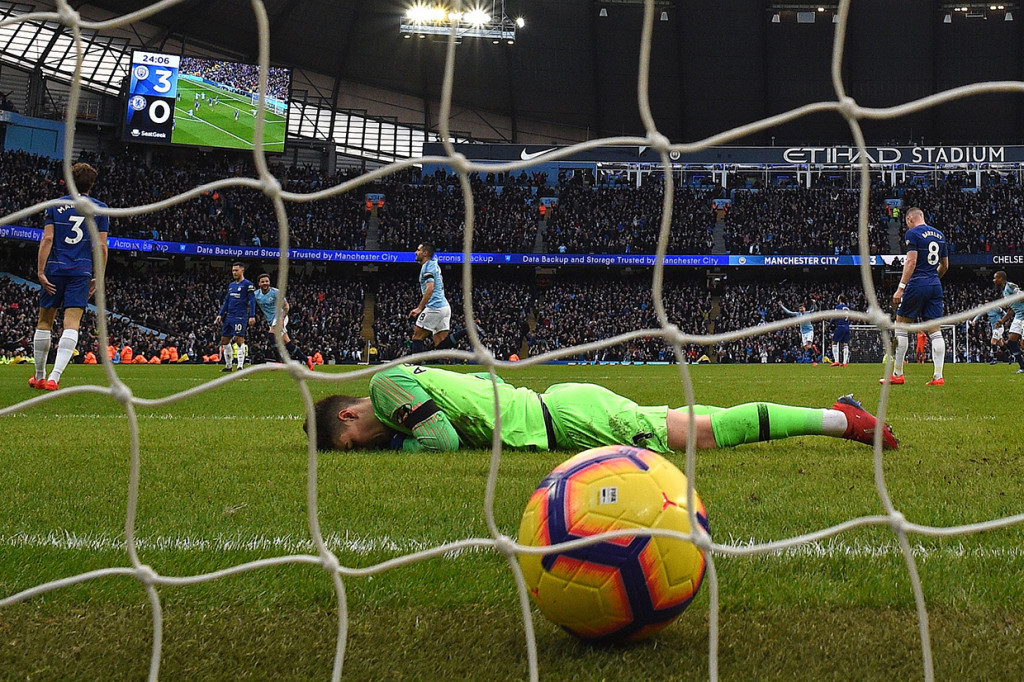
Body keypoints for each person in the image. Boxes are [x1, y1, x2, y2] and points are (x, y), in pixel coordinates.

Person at [306, 364, 898, 453]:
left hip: (565, 419)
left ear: (349, 416)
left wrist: (401, 444)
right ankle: (837, 412)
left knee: (703, 434)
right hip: (562, 412)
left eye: (354, 445)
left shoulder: (385, 387)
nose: (368, 447)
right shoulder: (394, 384)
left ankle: (842, 420)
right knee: (697, 422)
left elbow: (443, 442)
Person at [29, 162, 109, 391]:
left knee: (45, 321)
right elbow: (101, 246)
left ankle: (39, 376)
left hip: (55, 270)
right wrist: (99, 276)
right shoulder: (99, 209)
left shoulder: (55, 206)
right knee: (71, 324)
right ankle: (54, 377)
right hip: (81, 272)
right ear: (92, 184)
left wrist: (41, 271)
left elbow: (47, 239)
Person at [885, 207, 948, 386]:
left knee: (901, 326)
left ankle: (897, 374)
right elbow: (945, 265)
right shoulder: (939, 235)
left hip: (917, 282)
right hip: (935, 284)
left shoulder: (913, 233)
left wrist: (901, 288)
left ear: (910, 220)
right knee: (935, 330)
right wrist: (933, 278)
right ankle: (938, 376)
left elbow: (911, 261)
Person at [254, 273, 314, 370]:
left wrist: (281, 319)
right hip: (271, 320)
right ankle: (307, 360)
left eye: (267, 281)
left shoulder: (275, 292)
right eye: (263, 281)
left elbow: (286, 306)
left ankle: (278, 360)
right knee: (288, 343)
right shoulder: (256, 294)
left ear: (269, 282)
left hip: (281, 316)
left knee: (271, 335)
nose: (265, 283)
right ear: (259, 284)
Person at [409, 242, 454, 355]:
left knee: (417, 336)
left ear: (425, 253)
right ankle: (466, 331)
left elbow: (430, 289)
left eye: (418, 250)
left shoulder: (428, 266)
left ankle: (416, 368)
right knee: (439, 344)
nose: (416, 252)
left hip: (435, 306)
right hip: (444, 307)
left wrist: (419, 308)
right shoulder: (433, 264)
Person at [214, 261, 255, 372]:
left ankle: (240, 366)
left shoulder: (248, 284)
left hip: (240, 316)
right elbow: (227, 301)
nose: (234, 272)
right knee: (224, 340)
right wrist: (220, 314)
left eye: (236, 270)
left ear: (242, 270)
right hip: (229, 317)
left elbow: (252, 300)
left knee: (238, 339)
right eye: (233, 270)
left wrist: (252, 315)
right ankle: (228, 366)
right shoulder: (231, 285)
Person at [993, 270, 1024, 374]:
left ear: (1001, 279)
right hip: (1018, 316)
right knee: (1011, 341)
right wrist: (1002, 321)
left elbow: (1021, 295)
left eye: (995, 278)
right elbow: (1011, 310)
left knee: (1023, 344)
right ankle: (1022, 367)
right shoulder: (1004, 291)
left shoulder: (1010, 286)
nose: (994, 280)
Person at [780, 301, 819, 365]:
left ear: (805, 308)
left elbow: (815, 309)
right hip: (803, 332)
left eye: (802, 308)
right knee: (806, 348)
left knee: (809, 346)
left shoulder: (808, 313)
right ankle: (813, 347)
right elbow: (789, 312)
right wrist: (782, 306)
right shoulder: (798, 314)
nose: (801, 309)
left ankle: (814, 361)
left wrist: (814, 303)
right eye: (800, 308)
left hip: (809, 331)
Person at [830, 294, 851, 367]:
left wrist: (831, 324)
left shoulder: (838, 307)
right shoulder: (847, 308)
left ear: (839, 300)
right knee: (845, 344)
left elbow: (834, 317)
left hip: (840, 326)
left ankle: (836, 361)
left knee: (834, 342)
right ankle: (845, 363)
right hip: (847, 327)